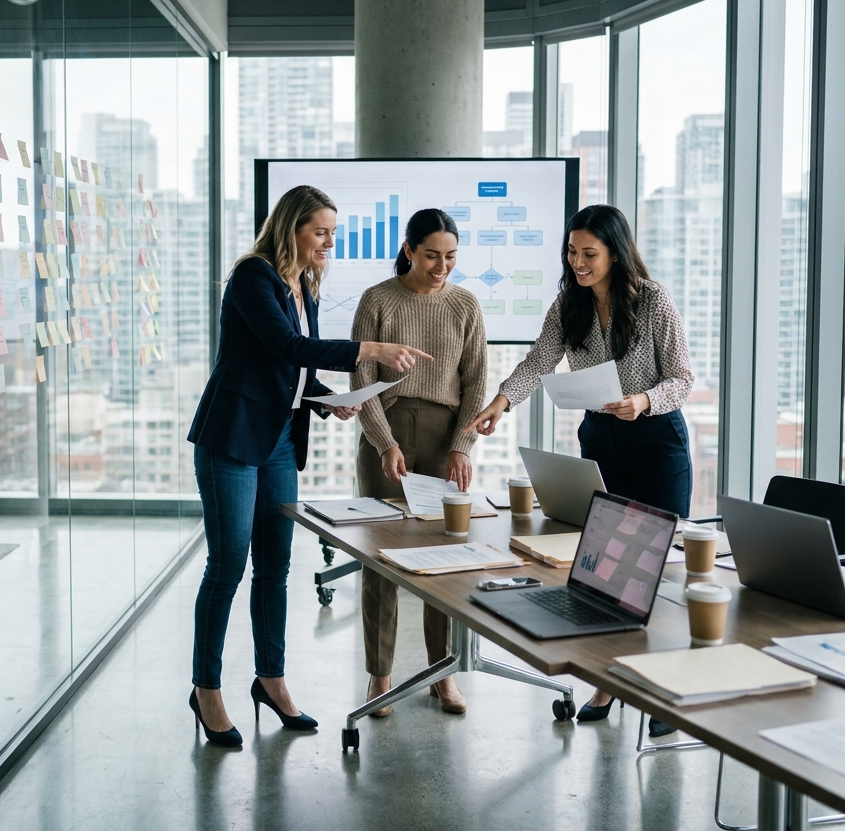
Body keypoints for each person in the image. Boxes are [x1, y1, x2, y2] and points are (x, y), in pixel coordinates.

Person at [187, 184, 433, 747]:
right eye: (320, 232)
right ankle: (206, 690)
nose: (329, 243)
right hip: (232, 437)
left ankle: (270, 681)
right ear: (291, 228)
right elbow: (284, 347)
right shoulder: (255, 277)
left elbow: (289, 371)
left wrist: (325, 398)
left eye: (333, 234)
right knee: (227, 567)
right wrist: (367, 350)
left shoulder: (305, 284)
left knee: (274, 566)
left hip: (276, 438)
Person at [465, 203, 694, 737]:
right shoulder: (568, 303)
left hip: (656, 437)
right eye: (572, 252)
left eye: (589, 254)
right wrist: (502, 402)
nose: (578, 262)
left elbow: (682, 377)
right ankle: (607, 680)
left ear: (616, 252)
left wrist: (642, 400)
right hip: (600, 438)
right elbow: (539, 361)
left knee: (656, 567)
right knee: (606, 566)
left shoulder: (654, 300)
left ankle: (662, 691)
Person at [352, 208, 487, 716]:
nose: (442, 266)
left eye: (451, 257)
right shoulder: (378, 300)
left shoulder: (465, 304)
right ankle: (380, 675)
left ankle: (442, 674)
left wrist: (462, 446)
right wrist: (385, 442)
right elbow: (362, 375)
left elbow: (475, 380)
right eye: (432, 255)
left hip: (444, 437)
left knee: (444, 558)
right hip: (384, 434)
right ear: (409, 250)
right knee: (380, 558)